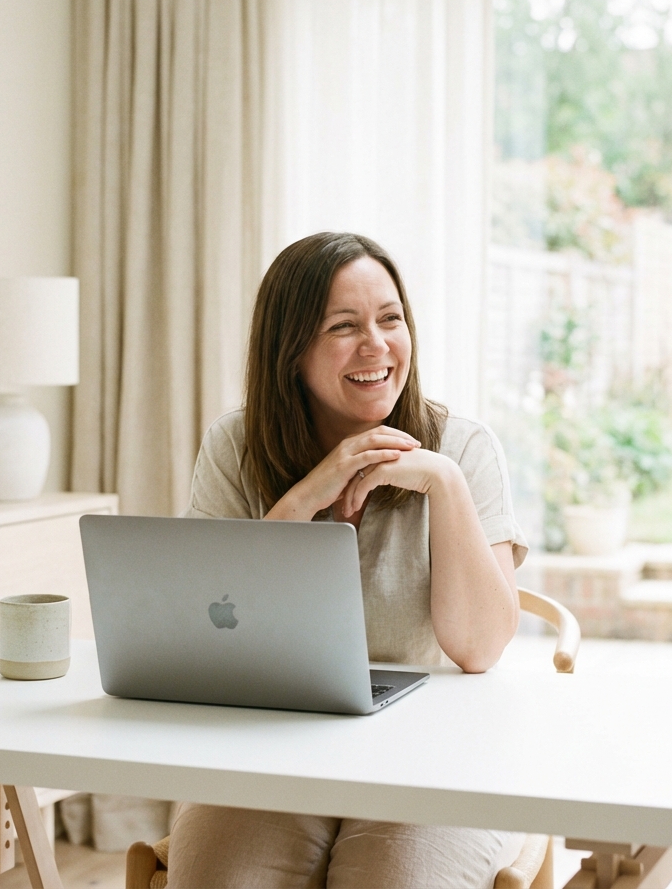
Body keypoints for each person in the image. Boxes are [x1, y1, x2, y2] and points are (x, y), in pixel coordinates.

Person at [166, 231, 528, 889]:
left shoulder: (464, 449)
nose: (377, 346)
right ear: (291, 351)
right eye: (344, 327)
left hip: (433, 754)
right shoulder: (236, 445)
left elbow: (479, 649)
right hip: (272, 745)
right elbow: (207, 629)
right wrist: (312, 490)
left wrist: (443, 483)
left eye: (391, 320)